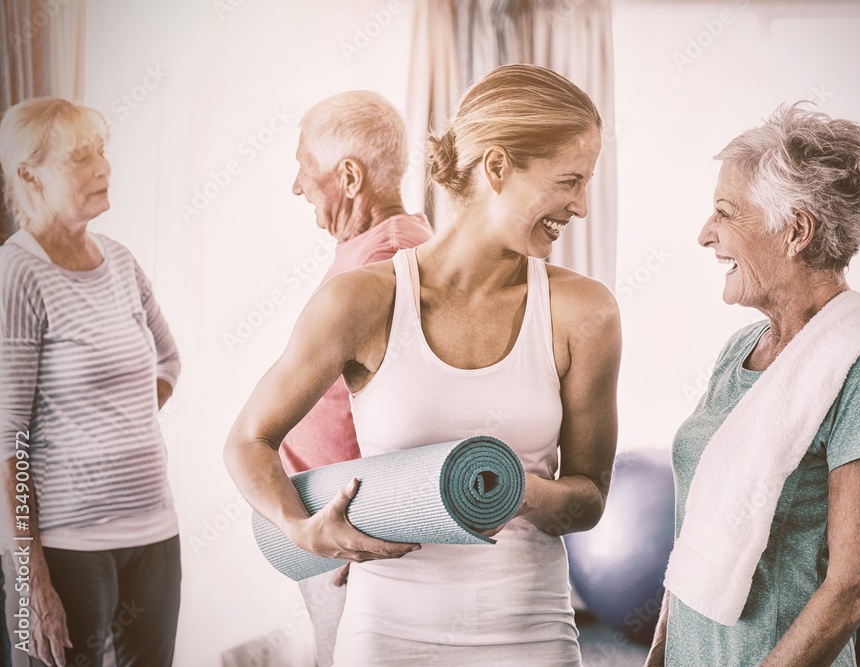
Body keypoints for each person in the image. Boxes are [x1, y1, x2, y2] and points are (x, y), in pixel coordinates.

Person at [224, 63, 621, 666]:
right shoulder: (361, 300)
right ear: (496, 167)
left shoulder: (585, 312)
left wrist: (513, 492)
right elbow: (248, 440)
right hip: (386, 636)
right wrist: (298, 527)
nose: (582, 207)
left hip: (529, 632)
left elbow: (588, 499)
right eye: (570, 181)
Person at [645, 103, 860, 666]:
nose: (706, 234)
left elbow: (857, 585)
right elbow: (697, 533)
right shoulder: (741, 349)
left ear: (796, 231)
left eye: (725, 213)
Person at [0, 98, 181, 667]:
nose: (103, 168)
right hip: (65, 545)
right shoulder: (18, 274)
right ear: (30, 174)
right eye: (81, 157)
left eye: (102, 152)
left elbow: (168, 364)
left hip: (154, 531)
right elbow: (9, 440)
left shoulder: (122, 262)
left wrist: (111, 428)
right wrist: (32, 579)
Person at [280, 90, 432, 667]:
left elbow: (423, 412)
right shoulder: (368, 244)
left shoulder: (388, 258)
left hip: (353, 531)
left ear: (348, 176)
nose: (296, 186)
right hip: (329, 521)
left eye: (303, 168)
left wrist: (375, 516)